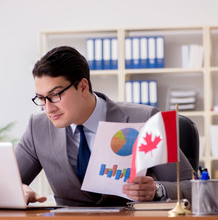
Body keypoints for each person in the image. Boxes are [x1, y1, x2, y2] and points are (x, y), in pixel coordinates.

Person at [15, 46, 194, 206]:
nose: (48, 107)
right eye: (41, 98)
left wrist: (157, 190)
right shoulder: (37, 128)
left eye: (55, 95)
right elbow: (5, 184)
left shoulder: (147, 118)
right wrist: (18, 190)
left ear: (83, 87)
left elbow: (192, 186)